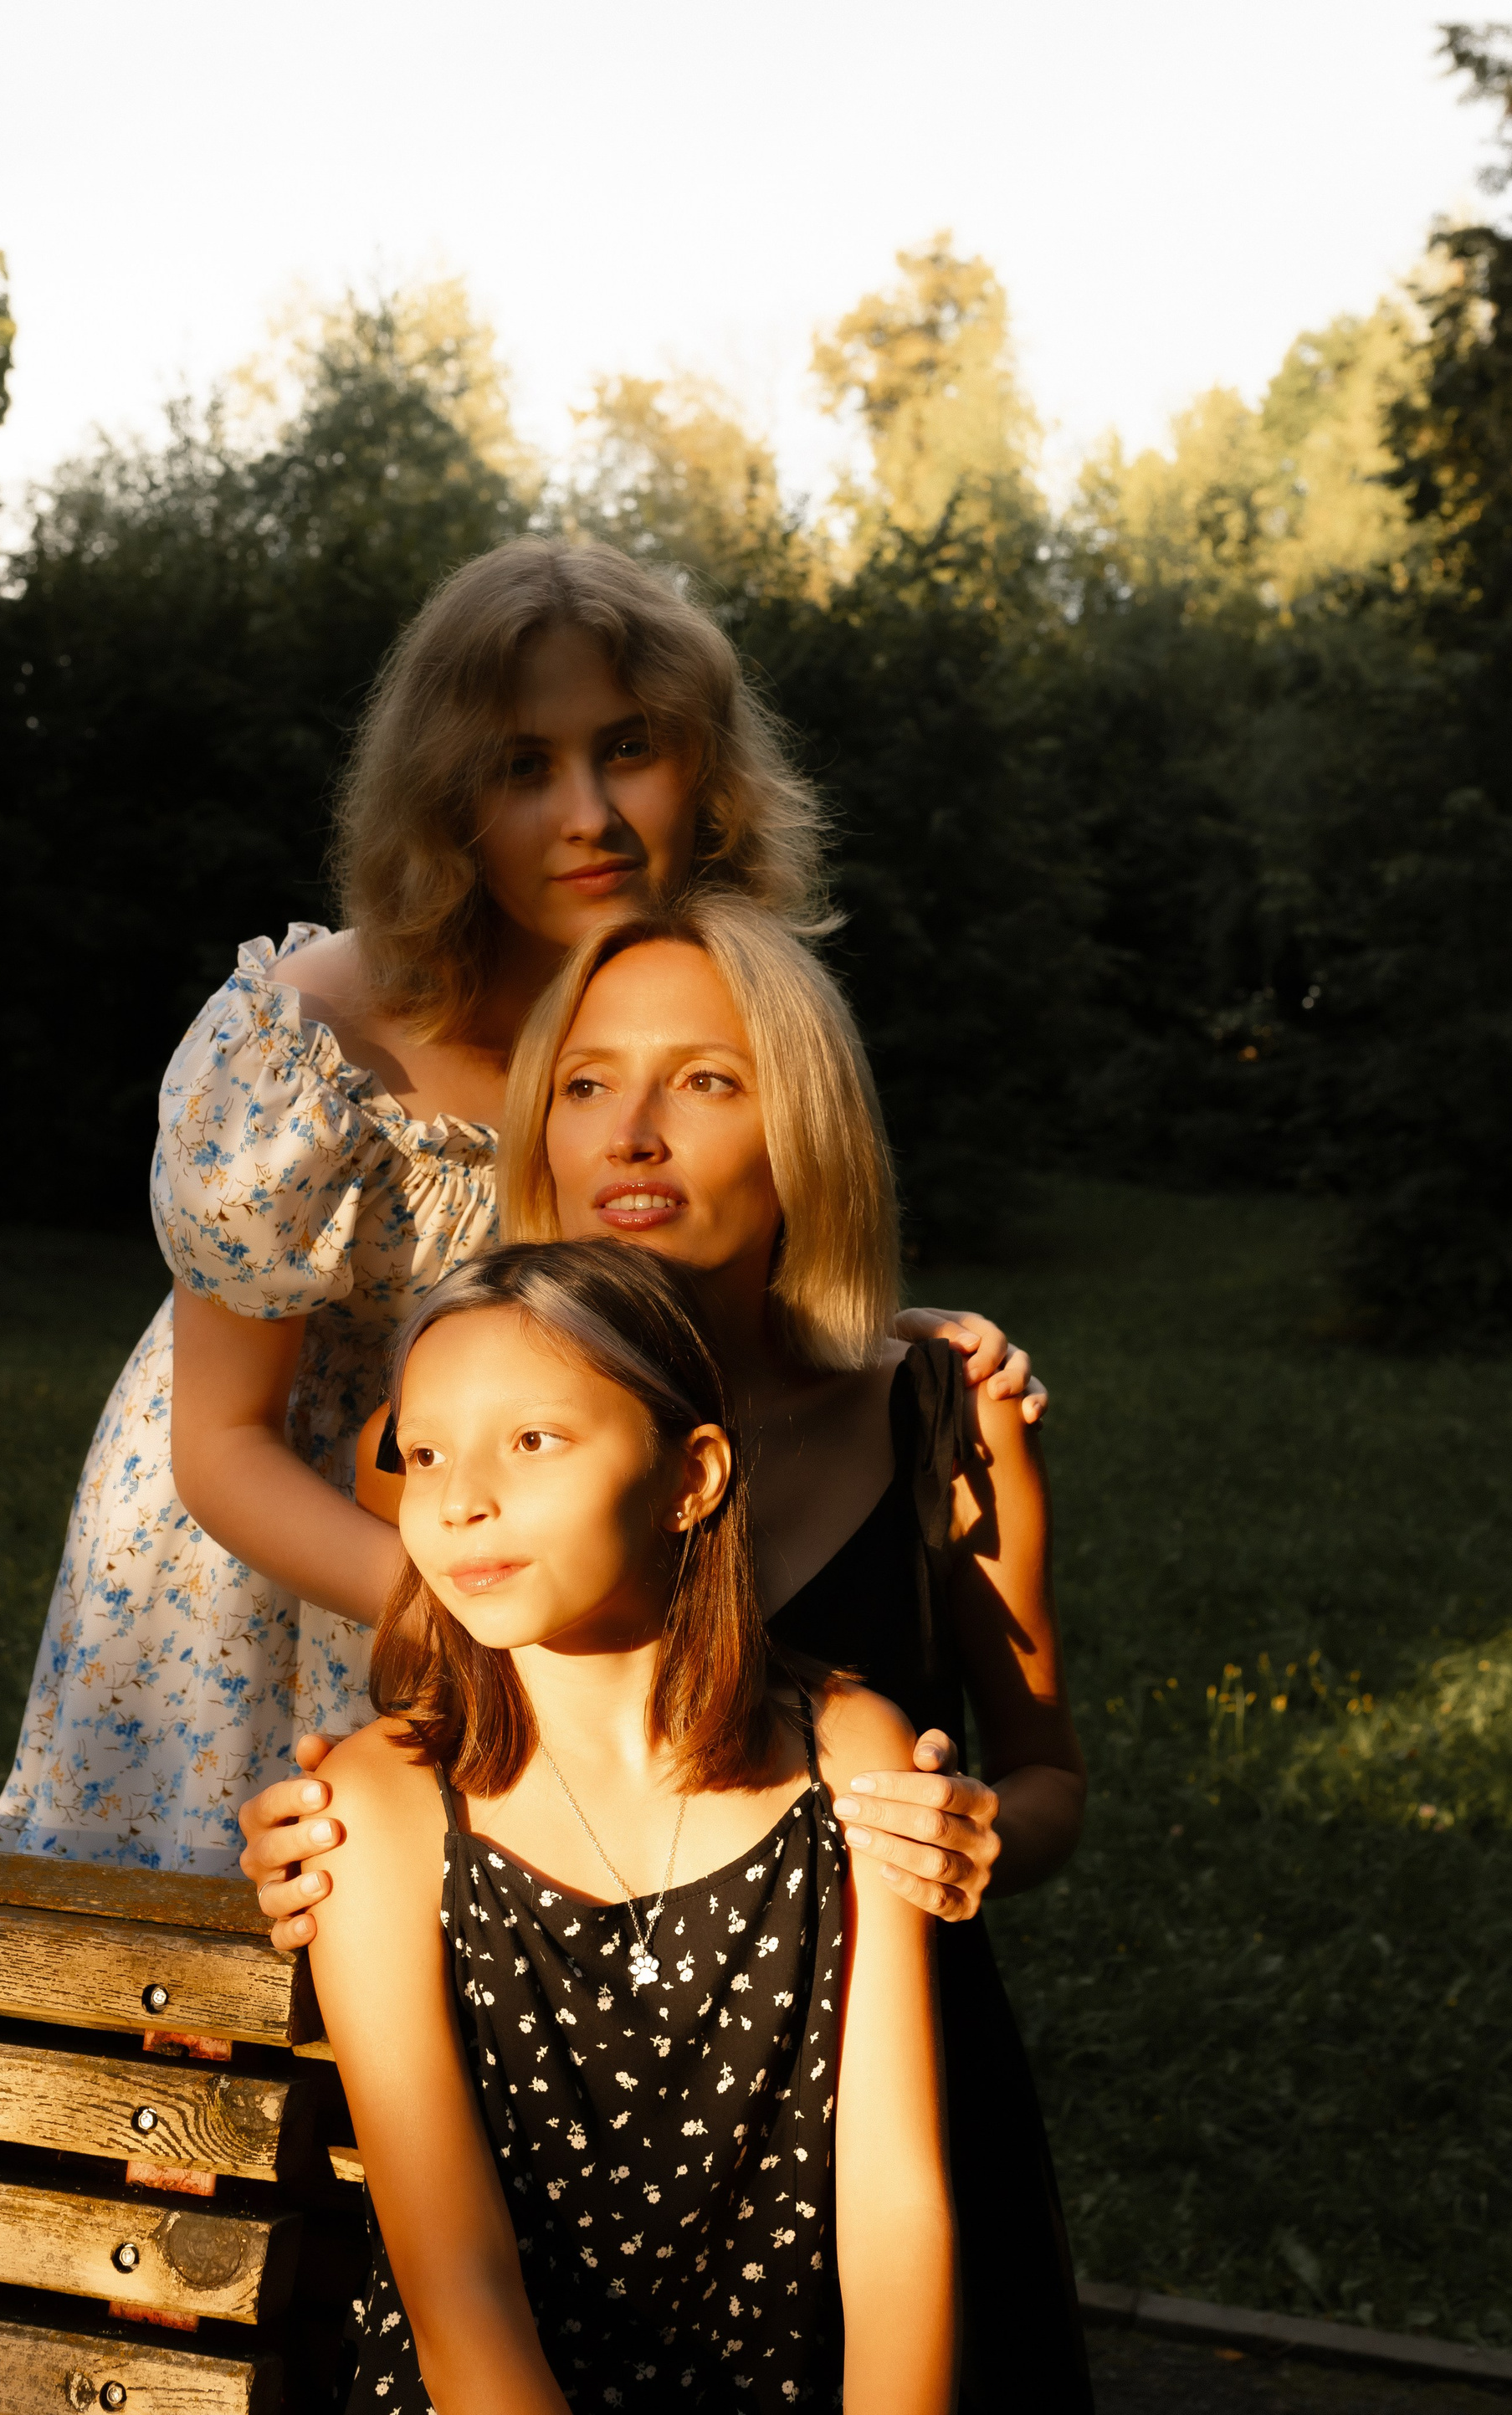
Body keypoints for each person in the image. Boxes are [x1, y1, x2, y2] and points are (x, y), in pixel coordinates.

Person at [0, 537, 1035, 1874]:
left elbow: (698, 1257)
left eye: (628, 748)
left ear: (708, 770)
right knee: (253, 1939)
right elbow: (222, 1443)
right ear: (445, 799)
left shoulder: (694, 994)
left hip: (555, 1523)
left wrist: (876, 1341)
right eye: (522, 765)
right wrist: (449, 1614)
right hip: (301, 1562)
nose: (587, 812)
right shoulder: (312, 1047)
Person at [244, 896, 1092, 2412]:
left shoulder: (944, 1412)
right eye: (585, 1082)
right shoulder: (437, 1449)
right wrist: (309, 1830)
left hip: (869, 2065)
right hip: (566, 2126)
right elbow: (448, 1733)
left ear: (802, 1126)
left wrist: (974, 1834)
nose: (632, 1131)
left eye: (706, 1079)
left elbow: (1047, 1772)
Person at [311, 1237, 956, 2414]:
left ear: (692, 1476)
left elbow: (897, 2207)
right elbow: (459, 2291)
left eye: (533, 1440)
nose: (460, 1498)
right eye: (426, 1453)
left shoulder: (850, 1758)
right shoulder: (381, 1806)